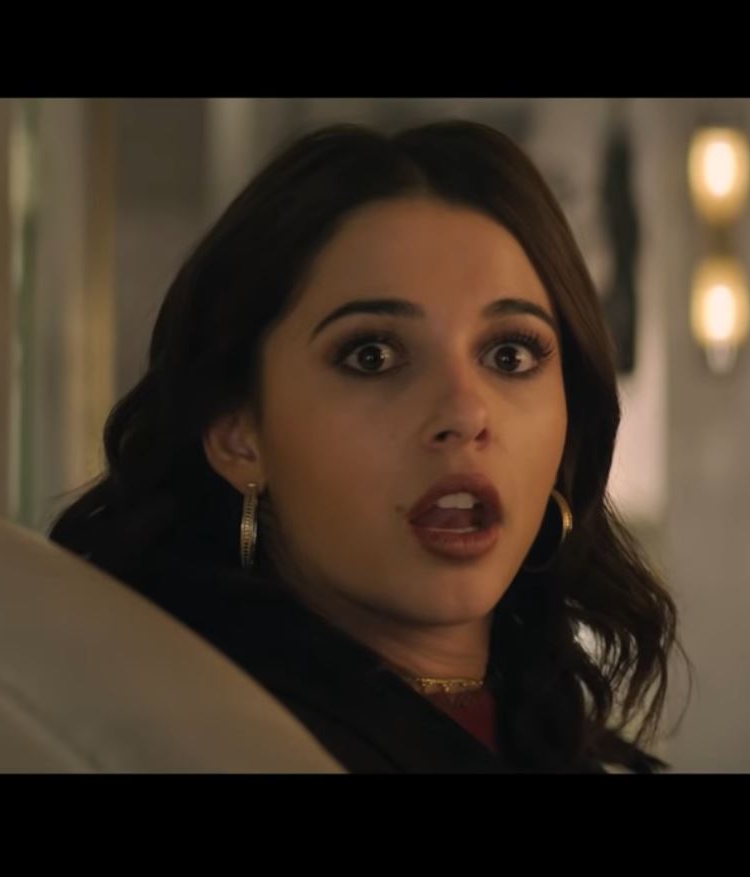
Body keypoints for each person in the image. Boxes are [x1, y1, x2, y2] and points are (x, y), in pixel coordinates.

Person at [50, 120, 681, 773]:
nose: (465, 413)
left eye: (509, 354)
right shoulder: (198, 743)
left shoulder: (543, 731)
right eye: (373, 355)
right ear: (238, 433)